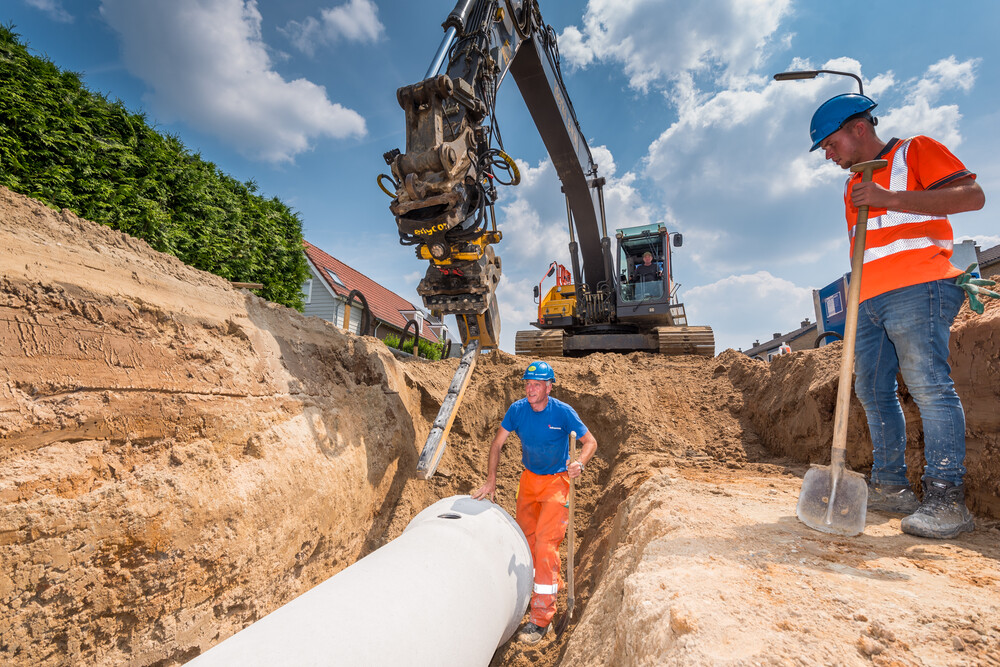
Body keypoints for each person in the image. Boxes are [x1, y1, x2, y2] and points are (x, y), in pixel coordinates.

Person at [808, 92, 988, 539]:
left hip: (920, 287)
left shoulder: (916, 150)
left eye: (830, 144)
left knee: (928, 384)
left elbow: (973, 197)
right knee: (871, 388)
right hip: (868, 299)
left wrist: (889, 197)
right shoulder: (852, 187)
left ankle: (947, 500)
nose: (827, 155)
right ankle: (891, 485)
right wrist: (855, 300)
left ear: (858, 128)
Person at [471, 360, 597, 645]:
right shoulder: (517, 410)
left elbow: (591, 442)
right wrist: (491, 480)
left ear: (549, 386)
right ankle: (549, 586)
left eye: (537, 384)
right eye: (528, 384)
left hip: (556, 482)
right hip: (528, 481)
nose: (530, 389)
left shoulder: (563, 412)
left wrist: (580, 462)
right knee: (525, 540)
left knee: (544, 544)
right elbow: (497, 444)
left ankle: (541, 617)